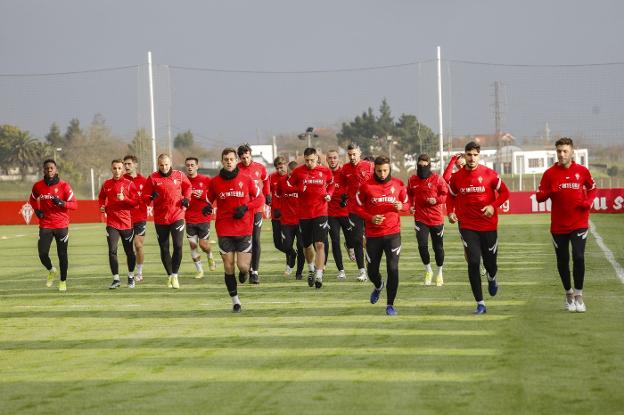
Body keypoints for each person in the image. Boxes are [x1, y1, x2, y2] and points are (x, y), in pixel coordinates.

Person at [446, 141, 510, 314]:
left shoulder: (489, 174)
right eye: (469, 154)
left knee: (491, 264)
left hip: (488, 226)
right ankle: (480, 303)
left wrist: (492, 206)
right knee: (473, 262)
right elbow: (450, 197)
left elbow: (505, 193)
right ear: (464, 156)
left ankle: (492, 277)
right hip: (468, 226)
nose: (472, 158)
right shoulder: (457, 178)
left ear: (479, 156)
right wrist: (450, 212)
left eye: (475, 155)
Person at [536, 137, 597, 313]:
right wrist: (550, 191)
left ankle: (579, 294)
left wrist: (588, 202)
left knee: (578, 257)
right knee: (562, 261)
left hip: (579, 222)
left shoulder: (582, 171)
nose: (562, 154)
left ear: (572, 152)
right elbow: (539, 197)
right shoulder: (549, 173)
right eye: (559, 151)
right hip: (558, 226)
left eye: (565, 151)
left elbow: (592, 189)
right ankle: (568, 293)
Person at [206, 148, 262, 312]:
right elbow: (208, 200)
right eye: (226, 159)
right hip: (224, 229)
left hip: (244, 228)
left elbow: (259, 199)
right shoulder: (215, 182)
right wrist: (206, 208)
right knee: (228, 266)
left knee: (243, 266)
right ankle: (235, 301)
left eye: (231, 159)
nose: (229, 162)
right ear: (222, 161)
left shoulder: (246, 179)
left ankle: (245, 273)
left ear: (235, 160)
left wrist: (245, 207)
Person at [354, 156, 408, 316]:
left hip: (393, 234)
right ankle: (378, 286)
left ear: (390, 168)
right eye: (379, 171)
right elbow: (356, 207)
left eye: (385, 170)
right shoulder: (366, 186)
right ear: (374, 170)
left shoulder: (398, 184)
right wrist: (370, 218)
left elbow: (407, 204)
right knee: (372, 271)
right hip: (373, 235)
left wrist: (402, 206)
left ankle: (390, 304)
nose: (382, 173)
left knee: (393, 268)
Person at [142, 154, 191, 289]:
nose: (164, 167)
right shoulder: (152, 178)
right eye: (161, 165)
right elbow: (145, 197)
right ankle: (169, 275)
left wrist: (186, 198)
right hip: (160, 218)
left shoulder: (179, 175)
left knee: (178, 245)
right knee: (164, 248)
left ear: (171, 163)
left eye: (166, 164)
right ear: (158, 164)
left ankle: (175, 275)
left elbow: (188, 187)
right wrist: (151, 197)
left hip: (177, 215)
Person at [287, 147, 334, 288]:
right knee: (306, 245)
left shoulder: (325, 171)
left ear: (317, 158)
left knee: (320, 244)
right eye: (307, 160)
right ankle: (311, 269)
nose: (309, 163)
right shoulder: (298, 172)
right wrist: (299, 189)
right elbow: (288, 186)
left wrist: (329, 194)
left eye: (312, 160)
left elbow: (331, 184)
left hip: (321, 212)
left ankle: (319, 274)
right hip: (304, 214)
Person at [29, 159, 77, 292]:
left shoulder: (64, 186)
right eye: (47, 168)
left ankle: (63, 281)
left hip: (61, 225)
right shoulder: (38, 186)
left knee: (62, 254)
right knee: (42, 253)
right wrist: (36, 210)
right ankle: (51, 270)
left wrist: (62, 203)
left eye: (51, 168)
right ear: (43, 170)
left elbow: (74, 204)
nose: (49, 170)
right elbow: (32, 200)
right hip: (45, 224)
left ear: (56, 170)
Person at [407, 154, 448, 286]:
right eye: (420, 165)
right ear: (417, 165)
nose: (423, 168)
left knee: (438, 248)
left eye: (425, 165)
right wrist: (410, 206)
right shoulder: (412, 180)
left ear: (429, 165)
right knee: (422, 246)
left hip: (436, 219)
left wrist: (436, 200)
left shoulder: (437, 179)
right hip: (420, 218)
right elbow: (408, 194)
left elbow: (445, 194)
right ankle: (428, 270)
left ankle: (440, 272)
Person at [98, 159, 139, 289]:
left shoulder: (129, 184)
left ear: (123, 169)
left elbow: (136, 202)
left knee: (129, 252)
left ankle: (131, 276)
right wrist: (102, 206)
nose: (117, 171)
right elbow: (101, 198)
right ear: (111, 169)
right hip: (112, 223)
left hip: (127, 224)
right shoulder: (106, 184)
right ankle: (116, 279)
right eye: (115, 168)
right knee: (112, 251)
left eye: (119, 168)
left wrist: (124, 199)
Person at [339, 143, 374, 281]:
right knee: (358, 240)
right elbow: (342, 184)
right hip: (355, 210)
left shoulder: (369, 166)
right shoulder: (345, 169)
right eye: (350, 155)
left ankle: (372, 267)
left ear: (360, 153)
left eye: (354, 154)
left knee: (372, 240)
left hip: (370, 208)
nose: (352, 157)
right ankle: (362, 271)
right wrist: (344, 195)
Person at [237, 144, 270, 284]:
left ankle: (254, 272)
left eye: (248, 157)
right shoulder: (236, 169)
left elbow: (266, 180)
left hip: (256, 209)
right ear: (239, 157)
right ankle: (245, 268)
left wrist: (267, 194)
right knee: (244, 241)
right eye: (243, 158)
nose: (246, 160)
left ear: (251, 155)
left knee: (255, 240)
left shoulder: (260, 168)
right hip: (242, 210)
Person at [184, 157, 217, 279]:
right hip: (189, 218)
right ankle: (200, 271)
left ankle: (210, 255)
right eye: (188, 165)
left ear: (197, 166)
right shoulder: (183, 181)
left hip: (203, 217)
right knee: (192, 245)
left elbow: (213, 194)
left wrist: (202, 195)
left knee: (203, 245)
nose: (190, 167)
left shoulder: (206, 180)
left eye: (192, 165)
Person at [326, 149, 353, 279]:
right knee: (335, 241)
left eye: (335, 157)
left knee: (352, 239)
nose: (332, 160)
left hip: (345, 211)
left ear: (339, 159)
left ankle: (349, 245)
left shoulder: (344, 173)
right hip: (331, 214)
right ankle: (341, 270)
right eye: (330, 158)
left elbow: (352, 188)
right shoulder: (324, 174)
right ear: (327, 160)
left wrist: (346, 198)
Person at [276, 161, 305, 280]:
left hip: (301, 219)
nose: (291, 176)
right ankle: (292, 255)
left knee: (301, 246)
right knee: (287, 245)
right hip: (286, 220)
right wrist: (277, 208)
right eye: (289, 173)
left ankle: (299, 272)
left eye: (293, 174)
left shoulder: (303, 182)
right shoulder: (281, 181)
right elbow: (277, 194)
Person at [123, 155, 148, 282]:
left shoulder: (144, 181)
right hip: (125, 219)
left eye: (129, 164)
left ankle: (139, 272)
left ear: (135, 165)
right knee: (129, 249)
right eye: (125, 164)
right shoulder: (121, 180)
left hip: (140, 217)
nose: (126, 166)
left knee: (138, 245)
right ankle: (131, 273)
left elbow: (148, 198)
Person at [268, 156, 289, 274]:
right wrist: (269, 202)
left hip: (288, 215)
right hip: (275, 214)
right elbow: (267, 193)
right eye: (277, 168)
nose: (280, 170)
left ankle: (288, 264)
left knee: (287, 241)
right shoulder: (272, 177)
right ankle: (292, 253)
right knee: (277, 243)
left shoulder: (291, 177)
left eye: (282, 167)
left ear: (286, 165)